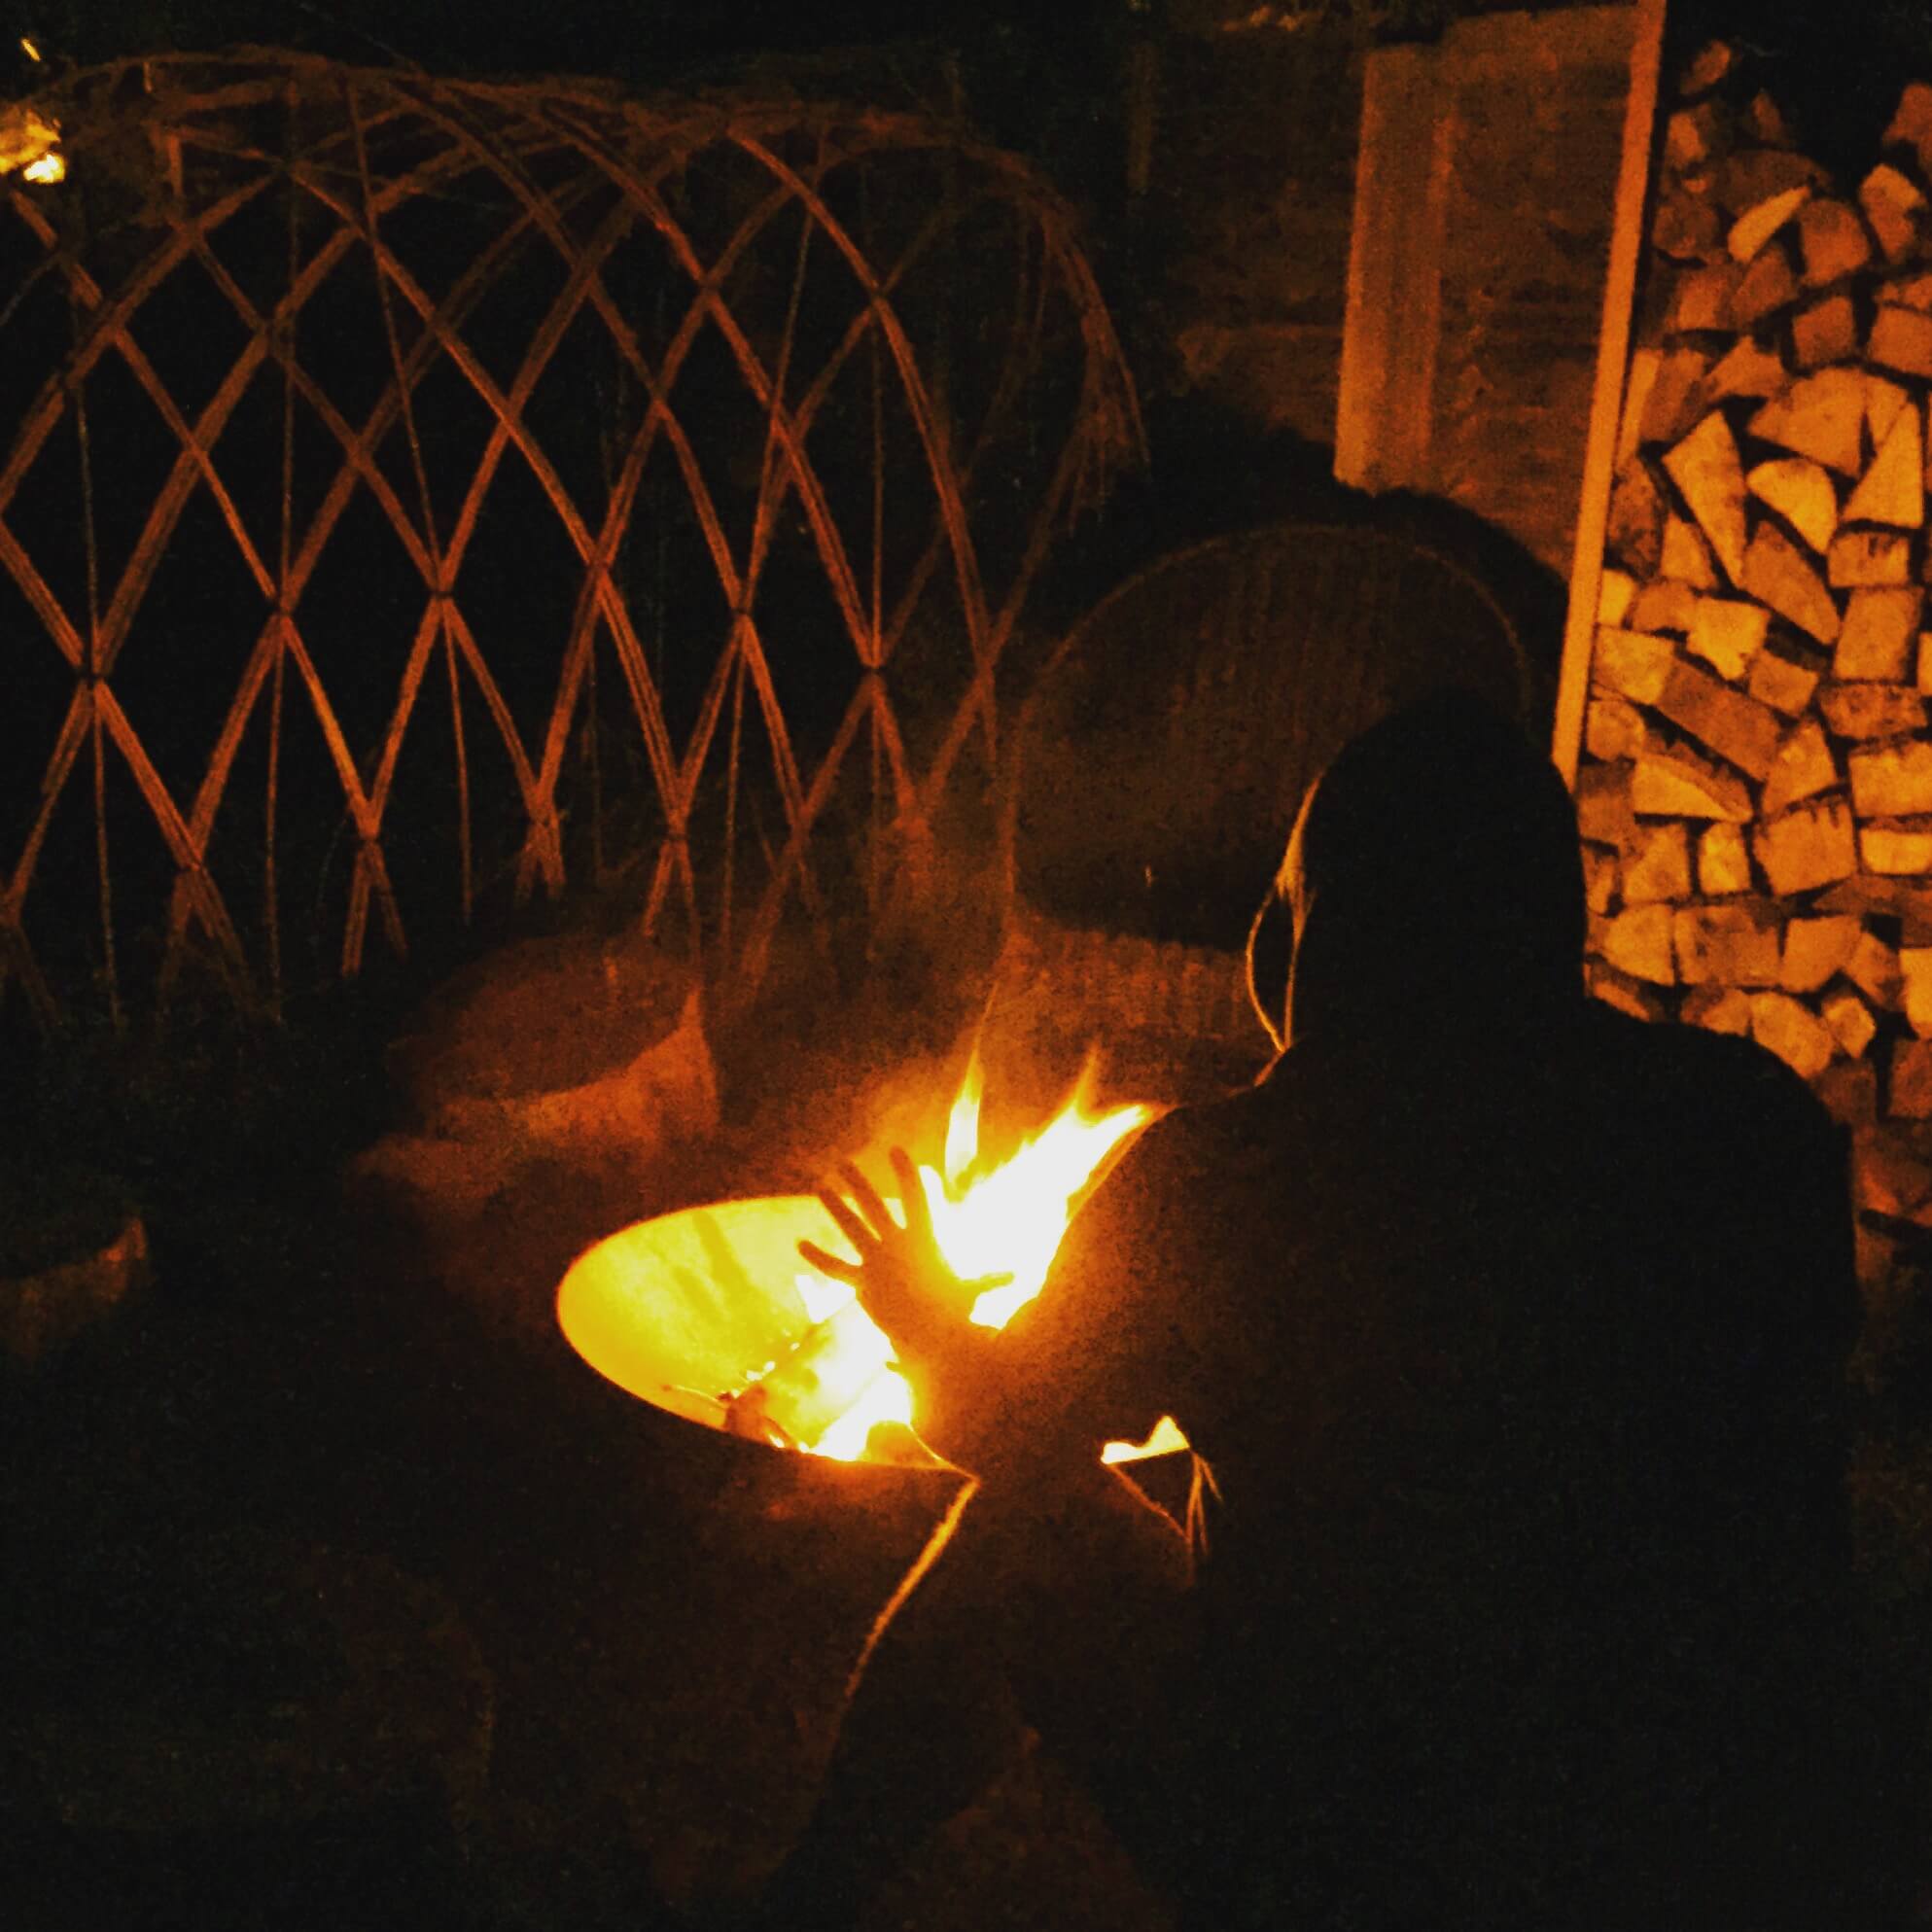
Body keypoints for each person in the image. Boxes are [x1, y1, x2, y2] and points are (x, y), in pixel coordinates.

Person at [788, 690, 1874, 1929]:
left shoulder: (1235, 1176)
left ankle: (801, 1901)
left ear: (1310, 933)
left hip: (1351, 1834)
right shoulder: (1749, 1125)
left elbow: (1013, 1425)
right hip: (1702, 1824)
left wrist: (920, 1322)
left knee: (1014, 1532)